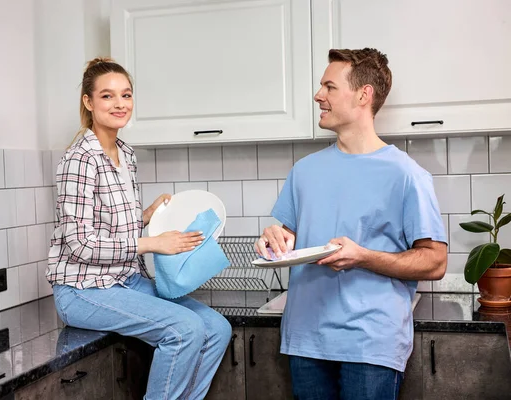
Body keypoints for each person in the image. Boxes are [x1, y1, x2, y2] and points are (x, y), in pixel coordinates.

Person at [255, 48, 448, 400]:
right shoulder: (304, 171)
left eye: (329, 87)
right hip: (305, 339)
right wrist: (273, 239)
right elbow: (288, 239)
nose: (318, 96)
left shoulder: (406, 174)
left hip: (370, 344)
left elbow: (435, 261)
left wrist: (362, 256)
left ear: (363, 95)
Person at [47, 57, 232, 400]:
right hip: (83, 289)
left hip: (126, 281)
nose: (119, 104)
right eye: (107, 96)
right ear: (88, 102)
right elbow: (80, 244)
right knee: (184, 329)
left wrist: (146, 216)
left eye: (126, 95)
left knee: (217, 329)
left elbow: (108, 223)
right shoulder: (79, 159)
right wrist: (152, 243)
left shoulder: (126, 154)